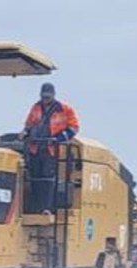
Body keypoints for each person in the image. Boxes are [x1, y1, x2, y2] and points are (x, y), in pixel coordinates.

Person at [21, 82, 79, 213]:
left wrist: (58, 139)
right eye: (44, 96)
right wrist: (25, 133)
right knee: (34, 178)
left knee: (47, 179)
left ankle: (46, 208)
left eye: (48, 96)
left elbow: (74, 128)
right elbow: (29, 124)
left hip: (51, 149)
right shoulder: (36, 107)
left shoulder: (65, 109)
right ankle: (35, 207)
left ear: (53, 95)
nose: (45, 99)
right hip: (35, 147)